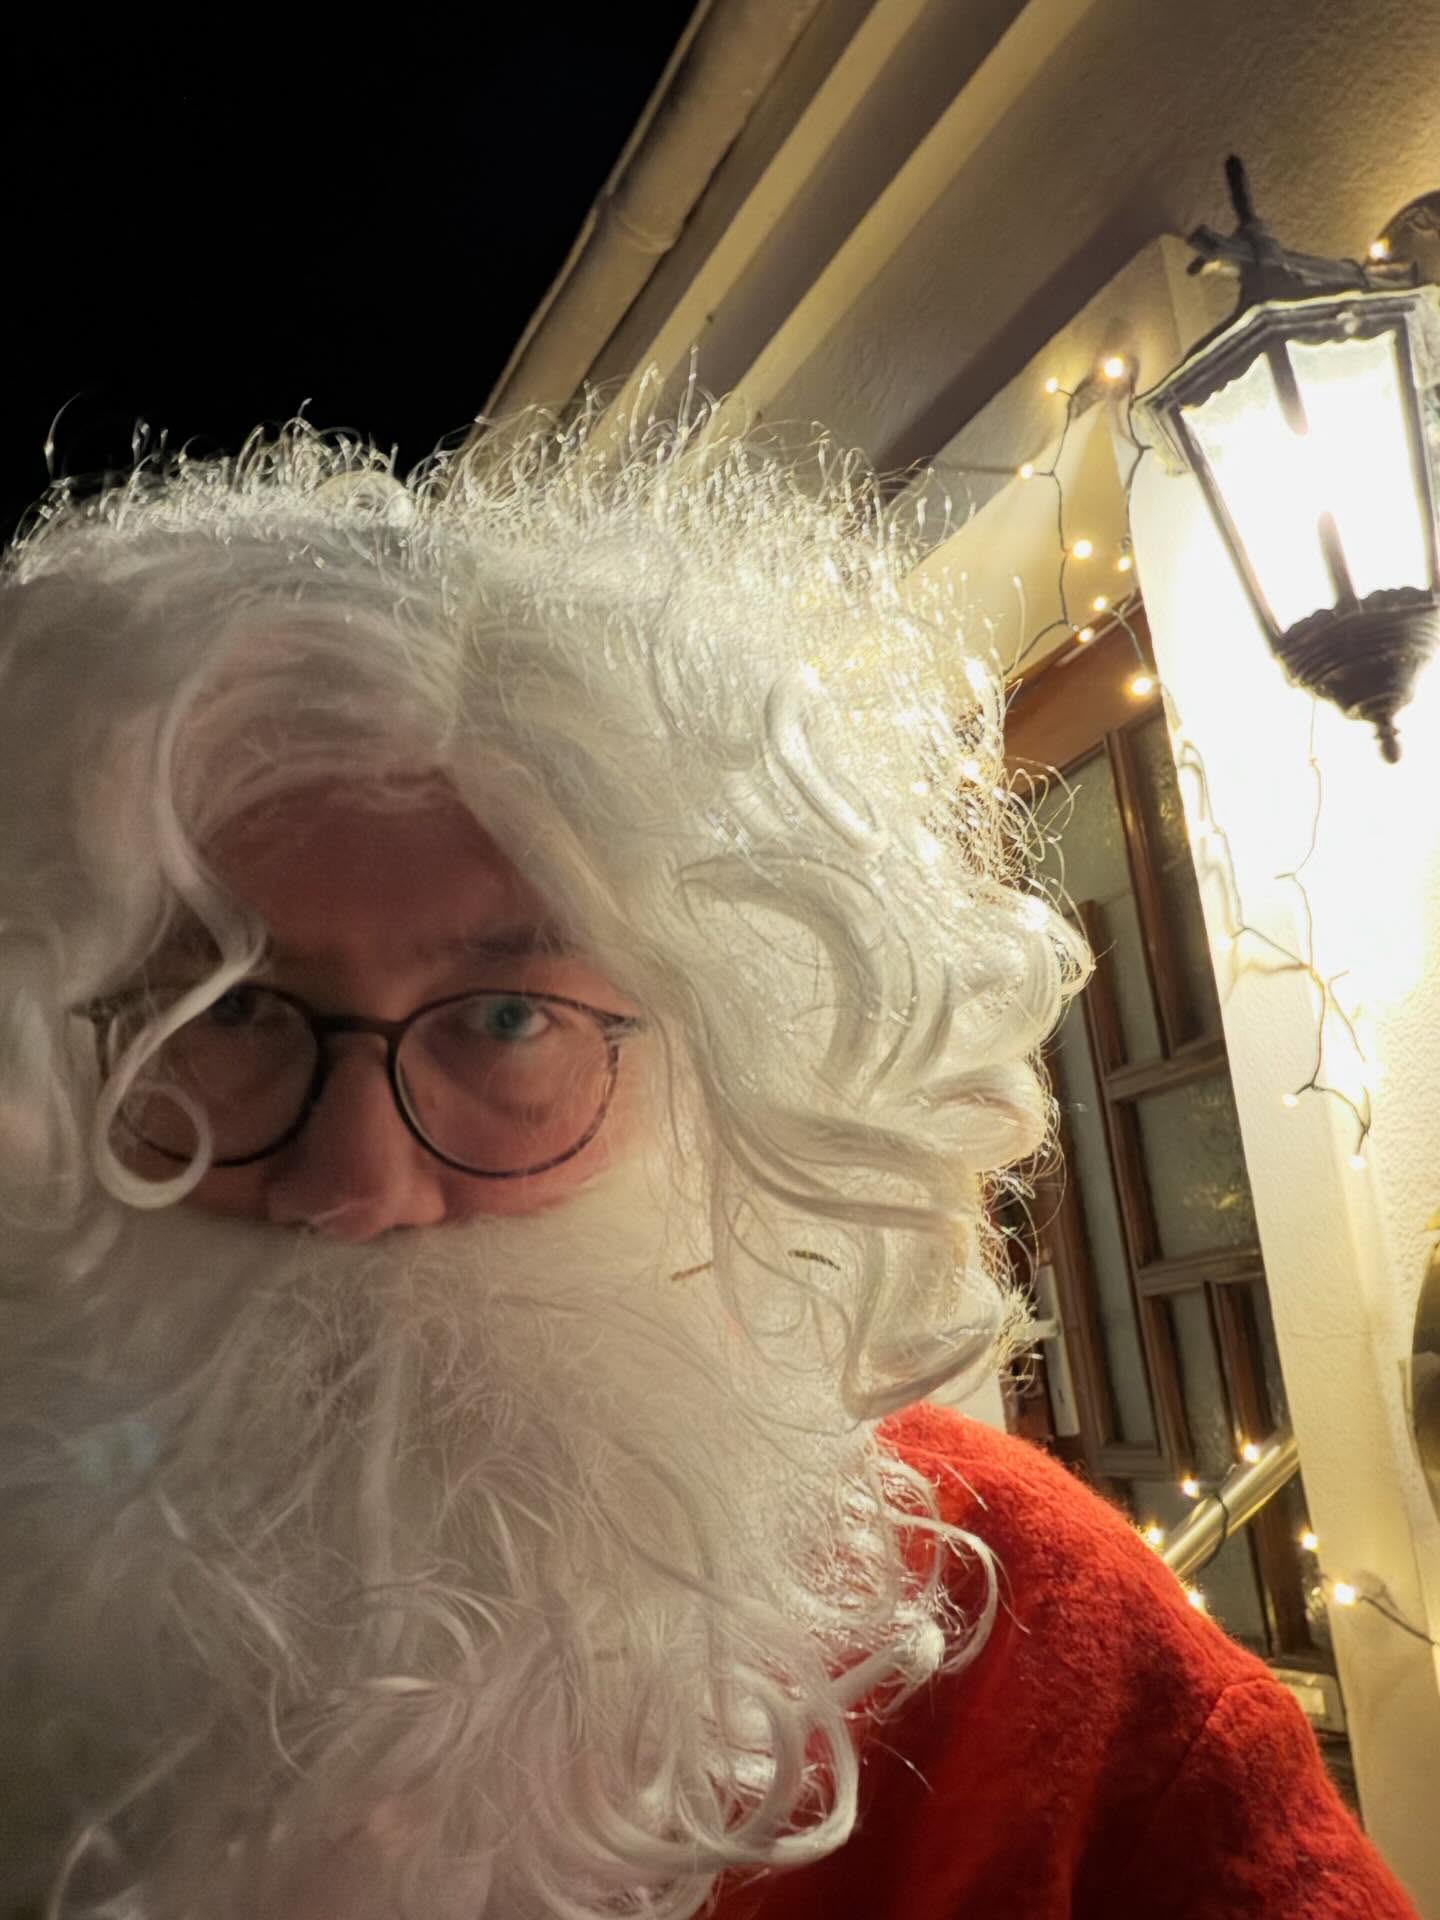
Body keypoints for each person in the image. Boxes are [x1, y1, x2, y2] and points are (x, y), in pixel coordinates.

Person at [0, 396, 1418, 1920]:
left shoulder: (1027, 1638)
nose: (355, 1184)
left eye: (508, 1019)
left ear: (717, 1068)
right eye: (225, 1012)